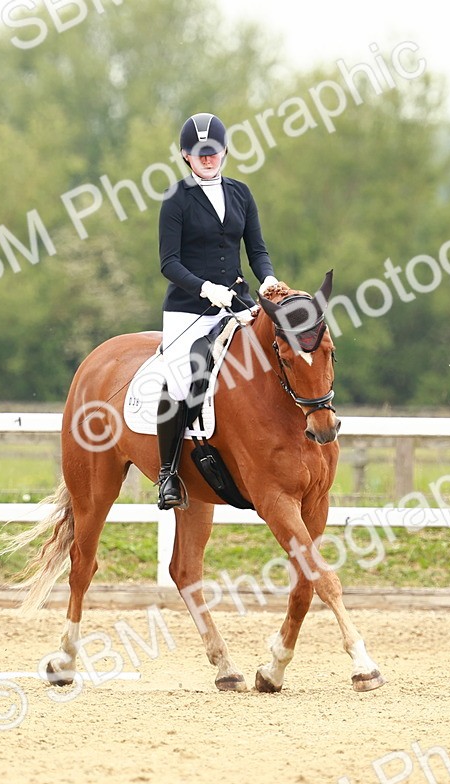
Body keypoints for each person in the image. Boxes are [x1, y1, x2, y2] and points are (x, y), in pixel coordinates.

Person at [154, 112, 284, 510]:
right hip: (188, 310)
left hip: (238, 303)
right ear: (185, 155)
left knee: (276, 357)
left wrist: (267, 280)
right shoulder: (176, 199)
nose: (207, 158)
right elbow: (168, 263)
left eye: (212, 151)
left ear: (224, 151)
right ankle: (169, 473)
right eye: (199, 153)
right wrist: (206, 288)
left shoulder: (242, 194)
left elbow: (257, 250)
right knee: (179, 380)